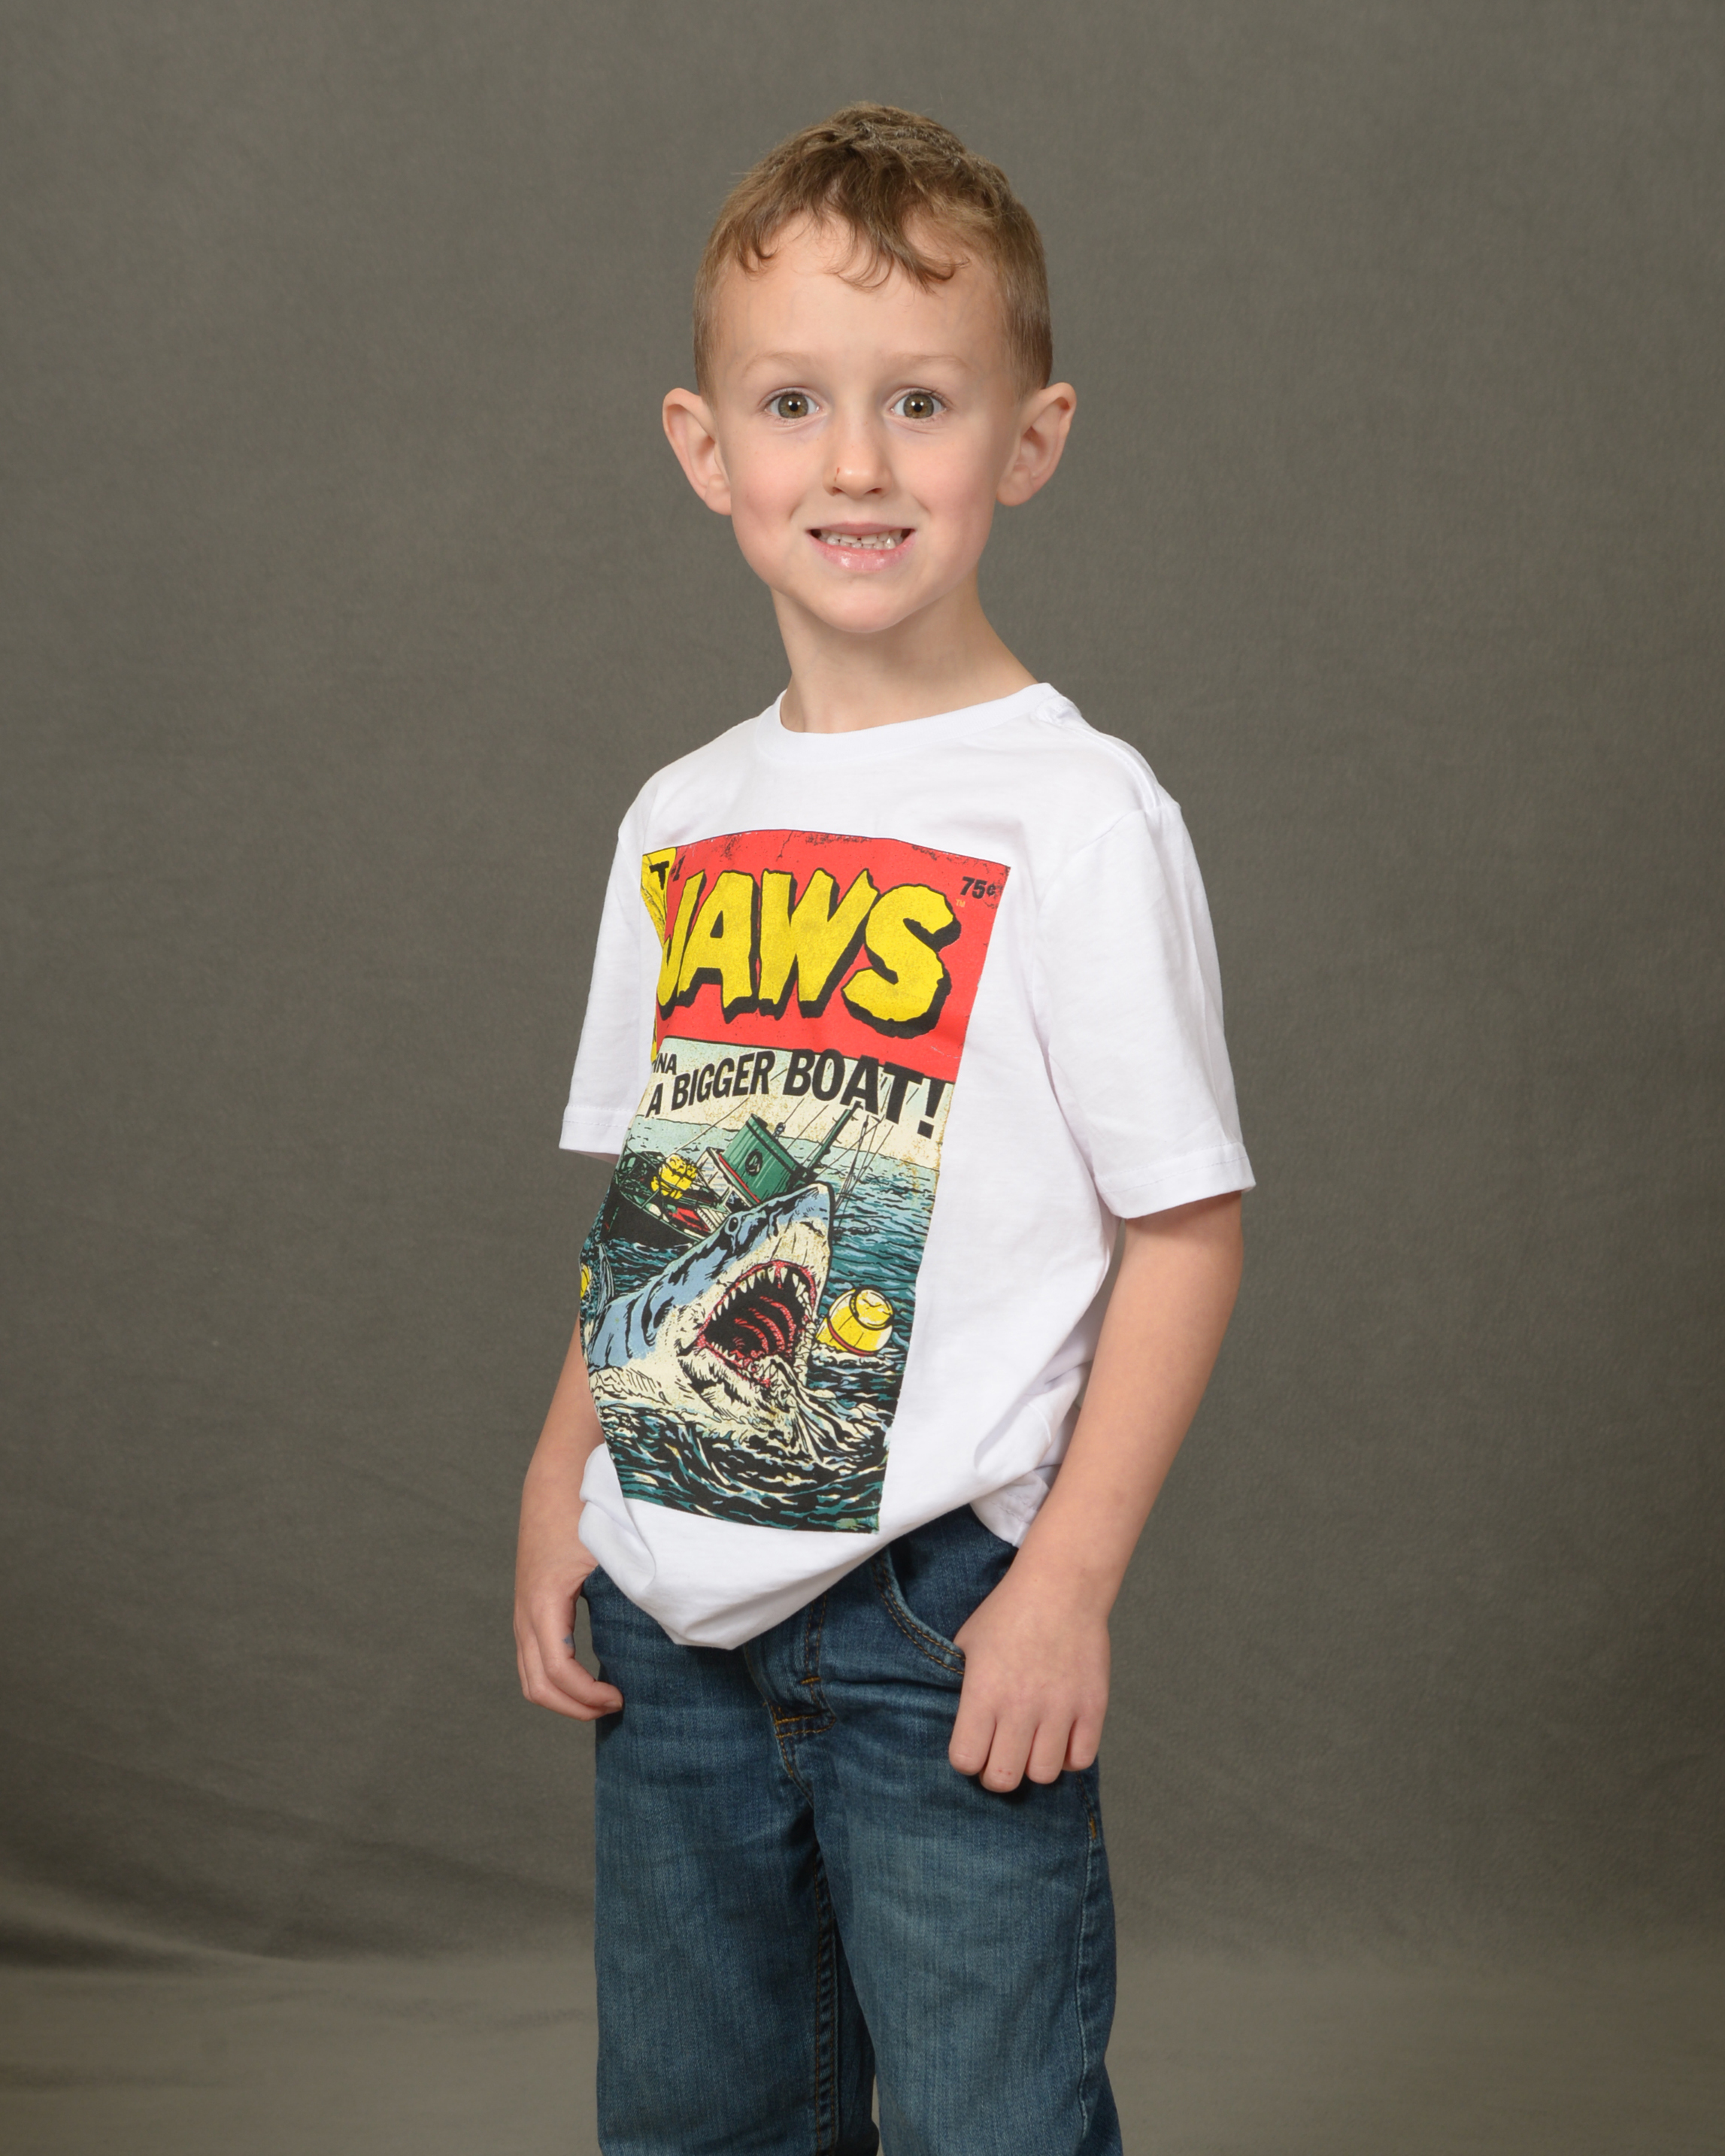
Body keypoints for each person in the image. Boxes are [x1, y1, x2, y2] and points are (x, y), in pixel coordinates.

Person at [514, 103, 1252, 2155]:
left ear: (1029, 439)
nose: (856, 462)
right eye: (796, 404)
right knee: (698, 2120)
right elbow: (674, 1188)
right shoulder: (683, 815)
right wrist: (563, 1474)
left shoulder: (1077, 816)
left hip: (944, 1616)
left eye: (920, 401)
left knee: (991, 2123)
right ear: (705, 447)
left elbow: (1185, 1228)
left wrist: (1063, 1583)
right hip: (671, 1606)